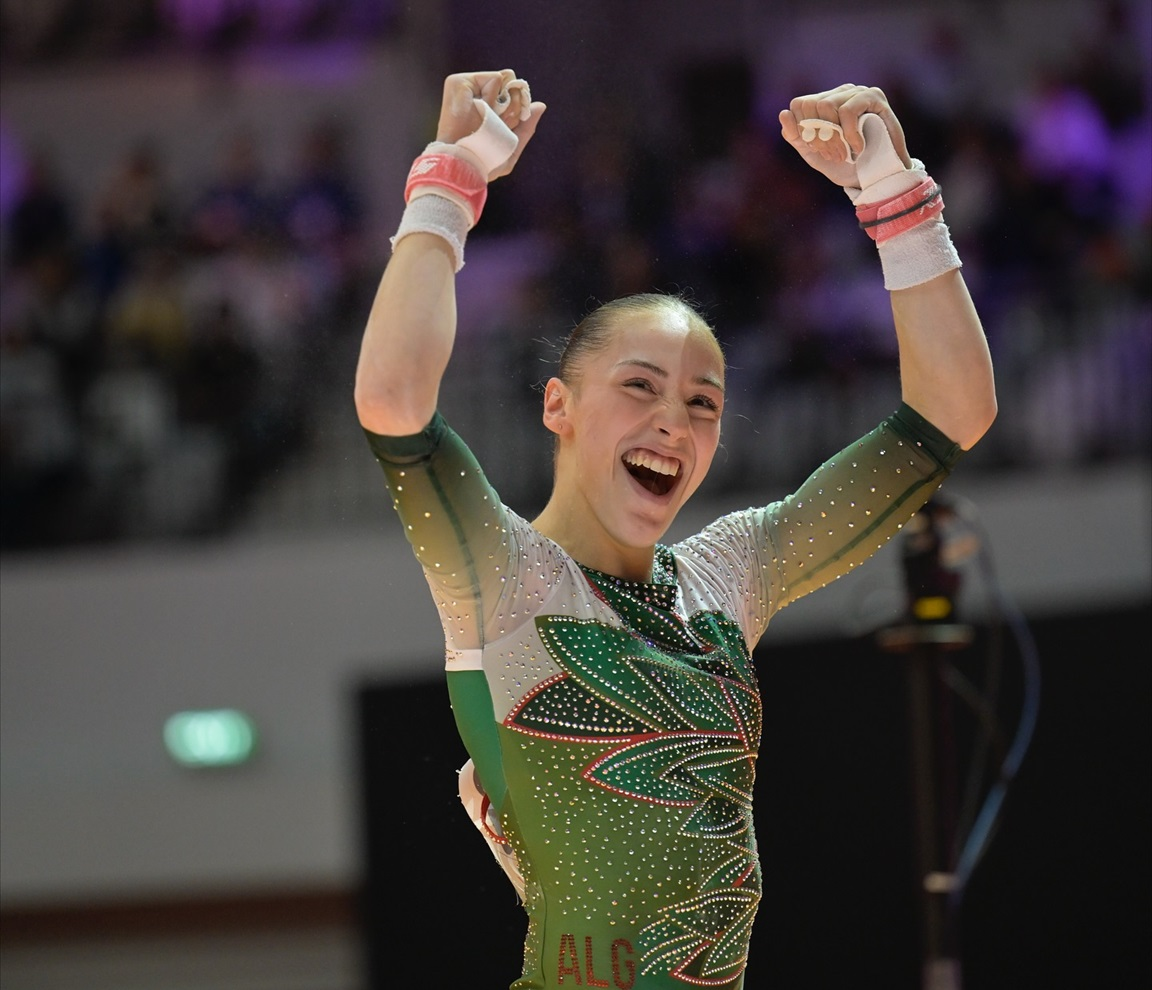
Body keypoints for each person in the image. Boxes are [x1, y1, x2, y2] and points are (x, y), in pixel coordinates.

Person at [354, 69, 995, 990]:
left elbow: (947, 419)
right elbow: (391, 402)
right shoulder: (510, 580)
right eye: (640, 386)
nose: (673, 423)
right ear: (558, 406)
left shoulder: (725, 579)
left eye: (703, 403)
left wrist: (897, 199)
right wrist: (449, 181)